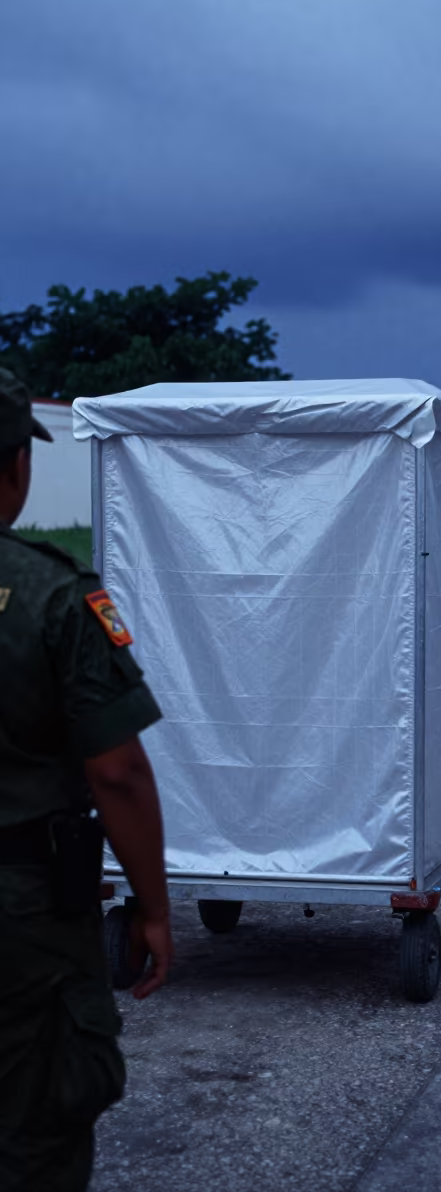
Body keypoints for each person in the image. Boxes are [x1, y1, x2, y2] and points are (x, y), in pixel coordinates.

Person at [0, 368, 174, 1191]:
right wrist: (153, 907)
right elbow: (118, 771)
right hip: (23, 913)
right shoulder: (55, 597)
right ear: (14, 469)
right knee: (38, 1122)